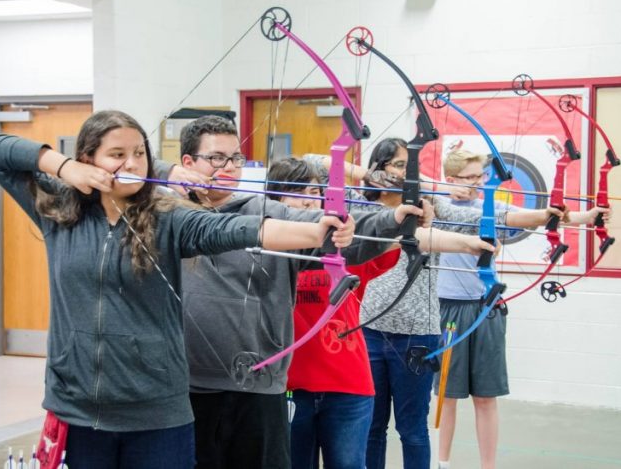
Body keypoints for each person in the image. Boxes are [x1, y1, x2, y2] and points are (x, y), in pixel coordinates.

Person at [0, 110, 356, 469]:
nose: (131, 163)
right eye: (117, 154)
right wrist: (63, 167)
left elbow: (233, 229)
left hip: (157, 412)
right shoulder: (59, 211)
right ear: (88, 159)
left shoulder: (168, 216)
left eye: (139, 153)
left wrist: (317, 231)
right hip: (79, 410)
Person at [158, 116, 429, 469]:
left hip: (259, 386)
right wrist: (165, 173)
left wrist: (394, 219)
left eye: (236, 158)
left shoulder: (269, 213)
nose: (229, 167)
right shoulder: (162, 216)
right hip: (186, 387)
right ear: (188, 163)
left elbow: (335, 232)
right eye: (216, 158)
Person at [306, 137, 570, 469]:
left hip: (418, 334)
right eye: (398, 165)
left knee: (413, 430)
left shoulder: (428, 205)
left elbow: (492, 217)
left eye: (410, 166)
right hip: (369, 330)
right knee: (372, 428)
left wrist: (546, 215)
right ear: (380, 166)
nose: (405, 172)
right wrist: (368, 175)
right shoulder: (360, 204)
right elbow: (312, 162)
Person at [266, 157, 496, 469]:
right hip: (289, 385)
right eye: (295, 193)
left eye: (313, 192)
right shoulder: (263, 252)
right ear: (273, 201)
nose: (307, 201)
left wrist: (470, 244)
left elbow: (404, 239)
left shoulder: (344, 244)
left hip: (347, 384)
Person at [434, 149, 611, 469]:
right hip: (448, 310)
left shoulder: (489, 206)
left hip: (486, 308)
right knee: (447, 396)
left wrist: (589, 217)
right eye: (470, 178)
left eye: (481, 177)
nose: (479, 183)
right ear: (451, 179)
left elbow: (540, 216)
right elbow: (408, 192)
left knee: (485, 397)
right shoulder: (435, 206)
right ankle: (442, 464)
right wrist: (439, 189)